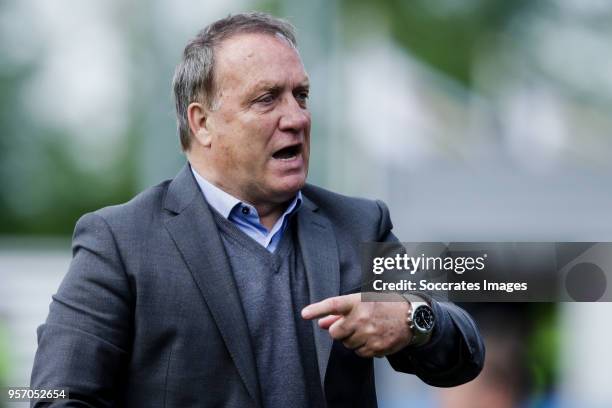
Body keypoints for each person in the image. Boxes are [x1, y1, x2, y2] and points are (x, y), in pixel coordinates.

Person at [30, 12, 484, 407]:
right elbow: (56, 395)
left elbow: (466, 347)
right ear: (202, 122)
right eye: (267, 99)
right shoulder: (120, 241)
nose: (296, 118)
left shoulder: (360, 224)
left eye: (300, 96)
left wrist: (412, 320)